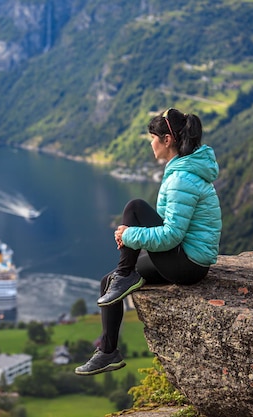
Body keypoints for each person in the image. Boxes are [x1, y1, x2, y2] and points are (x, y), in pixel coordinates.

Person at [74, 108, 222, 376]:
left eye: (153, 137)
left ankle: (125, 274)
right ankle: (108, 352)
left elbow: (171, 235)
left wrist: (128, 235)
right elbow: (170, 231)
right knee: (108, 283)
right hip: (184, 257)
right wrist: (132, 237)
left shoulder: (182, 178)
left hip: (188, 264)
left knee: (135, 207)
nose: (150, 143)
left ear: (167, 140)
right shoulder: (183, 169)